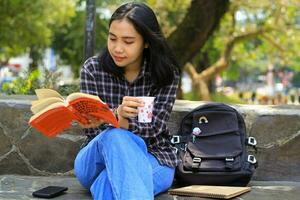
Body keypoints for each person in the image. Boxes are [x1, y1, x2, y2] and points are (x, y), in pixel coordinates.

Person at [74, 2, 180, 200]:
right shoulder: (93, 69)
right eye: (112, 38)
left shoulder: (165, 74)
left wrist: (121, 122)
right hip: (95, 162)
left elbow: (154, 128)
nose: (117, 48)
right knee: (114, 137)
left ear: (146, 42)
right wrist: (117, 115)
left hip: (155, 157)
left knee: (107, 184)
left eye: (128, 41)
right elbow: (92, 130)